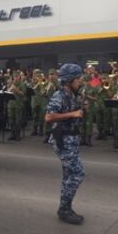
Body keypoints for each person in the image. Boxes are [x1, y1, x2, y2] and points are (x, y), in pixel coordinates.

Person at [45, 63, 86, 225]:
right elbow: (49, 117)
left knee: (69, 175)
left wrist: (82, 109)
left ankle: (66, 208)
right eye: (78, 79)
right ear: (69, 80)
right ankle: (63, 209)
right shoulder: (59, 96)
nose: (80, 82)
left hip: (71, 139)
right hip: (63, 139)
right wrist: (73, 113)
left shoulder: (72, 95)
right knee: (78, 173)